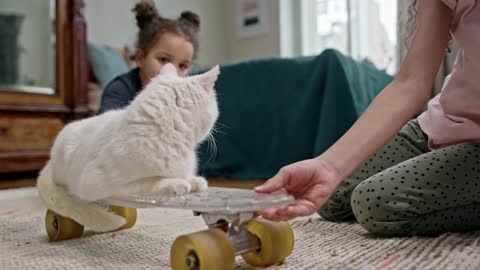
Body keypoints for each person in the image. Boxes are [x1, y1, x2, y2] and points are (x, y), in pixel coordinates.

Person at [255, 0, 480, 236]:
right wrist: (328, 166)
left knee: (374, 205)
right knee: (331, 196)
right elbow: (410, 82)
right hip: (442, 123)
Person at [98, 0, 200, 114]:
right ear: (140, 58)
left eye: (182, 66)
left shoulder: (184, 96)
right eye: (163, 59)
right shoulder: (119, 90)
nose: (173, 72)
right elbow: (108, 126)